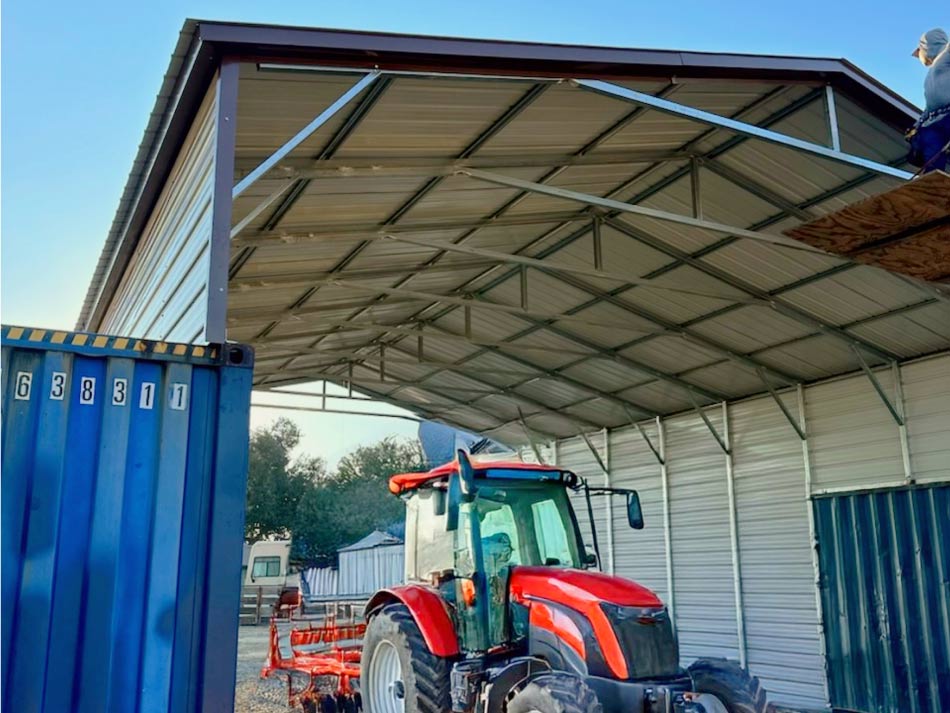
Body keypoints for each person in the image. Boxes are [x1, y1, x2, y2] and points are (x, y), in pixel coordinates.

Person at [908, 28, 950, 173]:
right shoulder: (932, 73)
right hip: (933, 121)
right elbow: (929, 106)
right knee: (931, 153)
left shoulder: (946, 55)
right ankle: (931, 177)